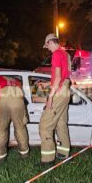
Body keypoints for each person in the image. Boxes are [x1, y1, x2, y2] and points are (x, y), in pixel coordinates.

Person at [39, 33, 71, 166]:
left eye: (47, 46)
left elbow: (58, 77)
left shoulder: (56, 54)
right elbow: (63, 77)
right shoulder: (66, 54)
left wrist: (50, 97)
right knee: (61, 124)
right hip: (65, 90)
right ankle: (64, 154)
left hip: (58, 93)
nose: (47, 49)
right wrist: (47, 84)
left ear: (51, 42)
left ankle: (47, 160)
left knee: (45, 126)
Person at [0, 75, 29, 163]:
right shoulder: (16, 81)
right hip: (18, 102)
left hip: (3, 102)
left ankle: (0, 158)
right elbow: (22, 96)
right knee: (20, 128)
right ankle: (24, 155)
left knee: (2, 130)